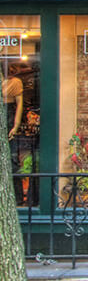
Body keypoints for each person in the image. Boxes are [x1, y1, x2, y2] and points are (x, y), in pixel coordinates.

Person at [3, 64, 25, 204]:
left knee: (11, 160)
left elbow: (19, 104)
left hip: (8, 118)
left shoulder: (15, 82)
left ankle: (16, 198)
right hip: (7, 116)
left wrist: (16, 125)